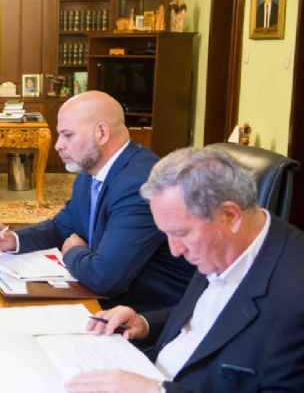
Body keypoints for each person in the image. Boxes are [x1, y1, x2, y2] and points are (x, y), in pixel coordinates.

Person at [66, 146, 304, 393]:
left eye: (180, 233)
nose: (175, 249)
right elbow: (212, 316)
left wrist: (155, 391)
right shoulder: (221, 245)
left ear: (230, 216)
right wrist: (145, 322)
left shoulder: (294, 297)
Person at [0, 91, 194, 311]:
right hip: (100, 299)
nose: (58, 145)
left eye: (67, 135)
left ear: (101, 133)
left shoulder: (139, 184)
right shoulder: (89, 171)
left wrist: (74, 250)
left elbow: (104, 279)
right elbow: (62, 226)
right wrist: (13, 239)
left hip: (141, 316)